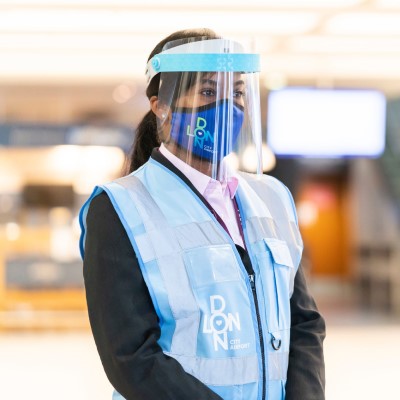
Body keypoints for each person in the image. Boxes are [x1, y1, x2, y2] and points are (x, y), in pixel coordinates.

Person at [79, 28, 326, 400]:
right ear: (161, 105)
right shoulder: (119, 207)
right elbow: (130, 356)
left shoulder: (272, 198)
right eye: (209, 92)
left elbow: (303, 322)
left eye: (238, 93)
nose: (229, 107)